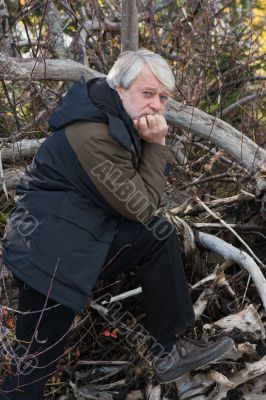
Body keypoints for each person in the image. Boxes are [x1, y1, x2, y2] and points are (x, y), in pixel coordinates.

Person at [0, 49, 233, 399]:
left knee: (158, 237)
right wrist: (156, 146)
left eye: (163, 97)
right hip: (49, 255)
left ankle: (169, 350)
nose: (156, 105)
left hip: (80, 238)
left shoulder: (111, 118)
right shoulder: (93, 134)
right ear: (120, 90)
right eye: (147, 93)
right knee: (31, 369)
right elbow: (140, 206)